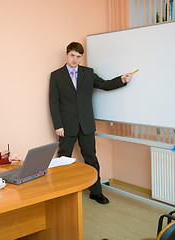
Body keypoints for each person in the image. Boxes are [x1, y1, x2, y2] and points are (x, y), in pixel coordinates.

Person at [49, 42, 131, 204]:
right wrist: (58, 125)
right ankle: (62, 193)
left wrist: (121, 80)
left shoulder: (88, 73)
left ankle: (96, 192)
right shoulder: (56, 75)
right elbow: (53, 102)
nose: (75, 59)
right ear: (66, 54)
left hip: (86, 124)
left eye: (78, 57)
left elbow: (104, 85)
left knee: (91, 158)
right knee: (63, 159)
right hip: (66, 126)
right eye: (72, 55)